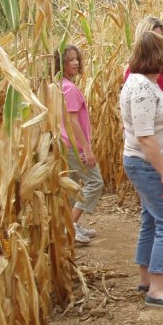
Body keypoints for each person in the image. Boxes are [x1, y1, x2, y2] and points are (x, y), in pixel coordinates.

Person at [120, 30, 163, 309]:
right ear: (158, 56)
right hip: (148, 165)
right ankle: (157, 291)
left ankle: (147, 279)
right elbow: (145, 137)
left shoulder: (147, 83)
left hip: (150, 163)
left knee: (151, 220)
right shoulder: (142, 89)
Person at [55, 45, 104, 245]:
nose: (75, 63)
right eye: (69, 60)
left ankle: (67, 225)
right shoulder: (69, 88)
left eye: (76, 59)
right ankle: (71, 226)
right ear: (60, 63)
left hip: (63, 144)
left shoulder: (58, 85)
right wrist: (86, 149)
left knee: (71, 187)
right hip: (73, 146)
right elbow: (73, 122)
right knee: (95, 182)